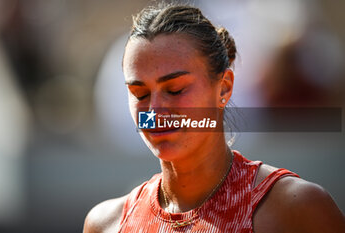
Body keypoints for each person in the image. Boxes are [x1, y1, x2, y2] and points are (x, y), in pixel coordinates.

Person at [83, 3, 345, 233]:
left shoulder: (294, 208)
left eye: (175, 90)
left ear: (224, 88)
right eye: (139, 94)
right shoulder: (108, 223)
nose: (155, 112)